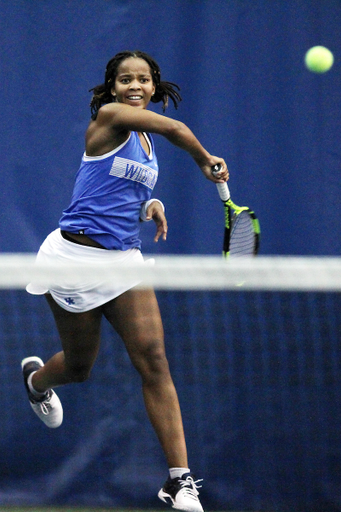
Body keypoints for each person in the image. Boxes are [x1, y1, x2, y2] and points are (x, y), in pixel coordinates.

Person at [22, 50, 229, 512]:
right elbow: (175, 128)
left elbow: (110, 192)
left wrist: (147, 206)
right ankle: (37, 380)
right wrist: (204, 159)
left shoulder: (145, 144)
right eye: (125, 79)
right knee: (79, 367)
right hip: (72, 259)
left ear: (154, 86)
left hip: (123, 261)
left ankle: (179, 480)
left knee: (154, 359)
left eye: (143, 79)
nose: (134, 85)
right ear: (113, 88)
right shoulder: (111, 118)